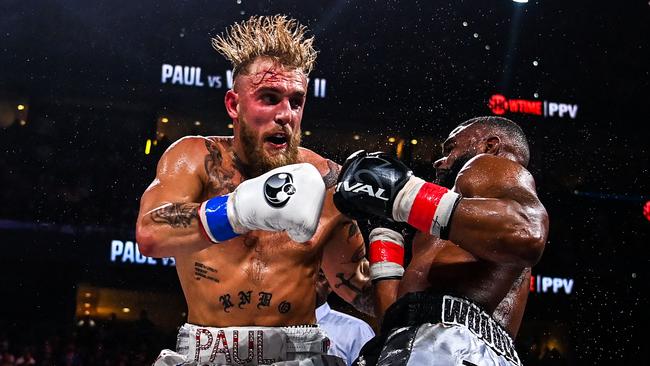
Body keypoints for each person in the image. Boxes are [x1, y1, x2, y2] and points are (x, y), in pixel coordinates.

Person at [136, 15, 372, 365]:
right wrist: (238, 210)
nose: (286, 114)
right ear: (234, 104)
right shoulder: (195, 159)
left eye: (296, 101)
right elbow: (150, 234)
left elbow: (357, 285)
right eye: (269, 98)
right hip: (207, 352)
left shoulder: (326, 179)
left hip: (300, 354)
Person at [333, 116, 549, 365]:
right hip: (421, 344)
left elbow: (527, 233)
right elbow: (393, 319)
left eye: (450, 148)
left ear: (490, 146)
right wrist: (385, 233)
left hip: (455, 345)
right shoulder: (450, 226)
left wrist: (404, 194)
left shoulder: (486, 166)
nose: (438, 160)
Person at [314, 270, 375, 366]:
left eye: (320, 276)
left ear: (330, 286)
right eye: (307, 277)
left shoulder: (356, 329)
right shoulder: (283, 325)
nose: (313, 282)